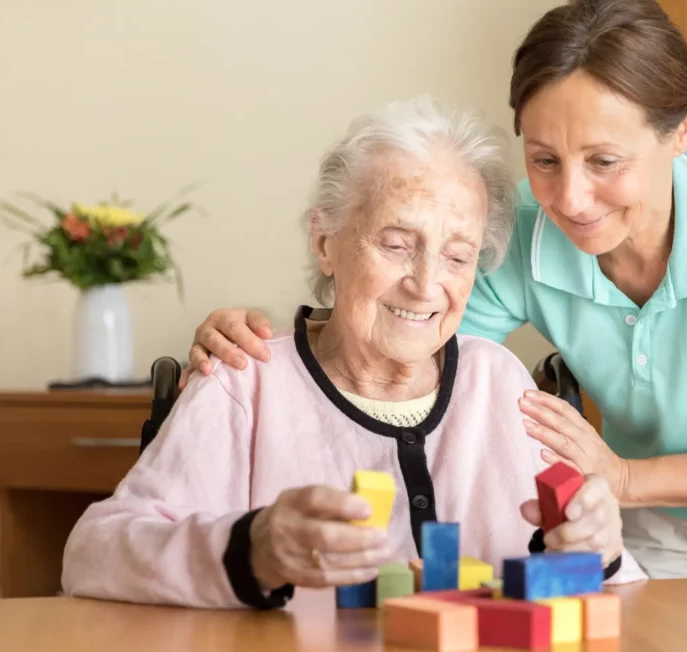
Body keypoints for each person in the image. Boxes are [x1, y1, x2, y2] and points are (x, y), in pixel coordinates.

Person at [183, 0, 687, 580]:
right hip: (647, 501)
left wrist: (625, 481)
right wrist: (279, 342)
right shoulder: (518, 228)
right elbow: (411, 347)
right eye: (543, 159)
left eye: (605, 161)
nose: (570, 198)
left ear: (682, 129)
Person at [61, 96, 643, 610]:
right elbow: (93, 553)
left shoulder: (498, 382)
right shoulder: (245, 378)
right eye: (396, 244)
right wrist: (252, 549)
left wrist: (599, 548)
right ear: (325, 243)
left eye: (457, 256)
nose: (424, 283)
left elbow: (610, 586)